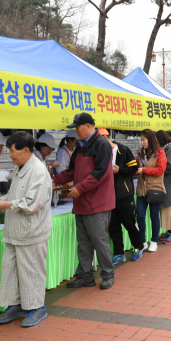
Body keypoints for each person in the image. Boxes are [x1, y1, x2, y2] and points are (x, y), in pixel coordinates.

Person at [0, 132, 52, 327]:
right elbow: (16, 193)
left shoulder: (39, 171)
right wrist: (1, 200)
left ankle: (37, 307)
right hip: (14, 231)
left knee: (31, 271)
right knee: (11, 271)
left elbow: (31, 203)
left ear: (25, 150)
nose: (9, 155)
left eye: (11, 151)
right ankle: (15, 305)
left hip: (31, 232)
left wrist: (6, 204)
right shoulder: (19, 166)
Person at [52, 113, 115, 290]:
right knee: (83, 242)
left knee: (100, 240)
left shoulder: (102, 144)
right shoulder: (80, 146)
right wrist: (54, 181)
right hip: (81, 203)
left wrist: (80, 187)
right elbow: (71, 171)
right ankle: (85, 275)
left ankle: (108, 274)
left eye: (77, 128)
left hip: (97, 203)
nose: (75, 132)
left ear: (88, 125)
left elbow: (101, 173)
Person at [97, 128, 142, 263]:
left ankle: (138, 246)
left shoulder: (123, 149)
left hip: (124, 195)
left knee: (129, 223)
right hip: (108, 196)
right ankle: (119, 252)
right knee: (113, 226)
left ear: (106, 138)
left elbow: (134, 169)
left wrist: (119, 170)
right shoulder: (100, 153)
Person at [135, 129, 166, 252]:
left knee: (154, 216)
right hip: (141, 189)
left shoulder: (160, 153)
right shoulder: (141, 153)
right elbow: (136, 166)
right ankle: (143, 241)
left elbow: (160, 170)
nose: (142, 142)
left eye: (144, 140)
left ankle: (154, 241)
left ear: (150, 139)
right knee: (140, 216)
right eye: (141, 140)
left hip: (155, 189)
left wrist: (144, 170)